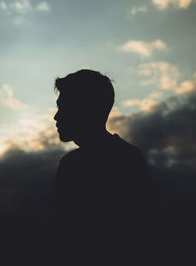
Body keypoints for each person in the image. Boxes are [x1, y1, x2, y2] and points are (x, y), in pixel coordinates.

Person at [54, 69, 149, 259]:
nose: (56, 116)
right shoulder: (129, 157)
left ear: (86, 110)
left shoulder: (124, 161)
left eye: (64, 107)